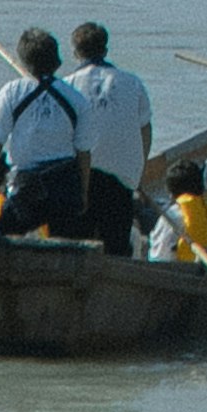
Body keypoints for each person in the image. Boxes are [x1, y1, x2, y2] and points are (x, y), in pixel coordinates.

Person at [0, 28, 88, 235]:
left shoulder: (12, 92)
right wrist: (82, 193)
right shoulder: (75, 98)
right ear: (57, 63)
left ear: (24, 62)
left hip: (27, 188)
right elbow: (84, 151)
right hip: (65, 186)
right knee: (68, 243)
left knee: (5, 234)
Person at [64, 20, 151, 256]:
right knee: (116, 245)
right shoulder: (133, 83)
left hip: (82, 180)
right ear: (105, 50)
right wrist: (139, 176)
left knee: (75, 244)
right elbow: (145, 131)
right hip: (121, 179)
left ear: (75, 53)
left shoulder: (66, 86)